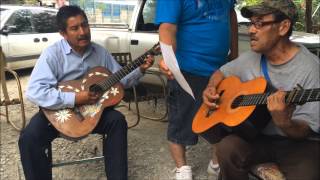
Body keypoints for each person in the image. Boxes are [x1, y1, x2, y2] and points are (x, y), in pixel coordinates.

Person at [18, 5, 153, 180]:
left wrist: (140, 69)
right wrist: (74, 98)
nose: (83, 32)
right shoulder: (52, 55)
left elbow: (121, 81)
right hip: (60, 113)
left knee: (117, 121)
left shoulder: (100, 52)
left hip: (93, 113)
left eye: (85, 25)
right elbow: (35, 91)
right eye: (75, 28)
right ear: (63, 33)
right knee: (28, 139)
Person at [202, 0, 320, 179]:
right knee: (227, 148)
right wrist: (211, 87)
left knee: (307, 174)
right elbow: (221, 72)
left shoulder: (310, 68)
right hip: (258, 136)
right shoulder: (251, 57)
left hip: (298, 143)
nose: (250, 30)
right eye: (251, 23)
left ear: (283, 27)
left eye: (259, 23)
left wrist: (284, 122)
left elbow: (306, 130)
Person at [155, 0, 238, 179]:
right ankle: (182, 168)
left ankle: (216, 163)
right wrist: (169, 60)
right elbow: (167, 28)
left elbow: (231, 16)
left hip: (220, 69)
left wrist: (235, 55)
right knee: (181, 120)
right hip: (187, 70)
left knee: (221, 117)